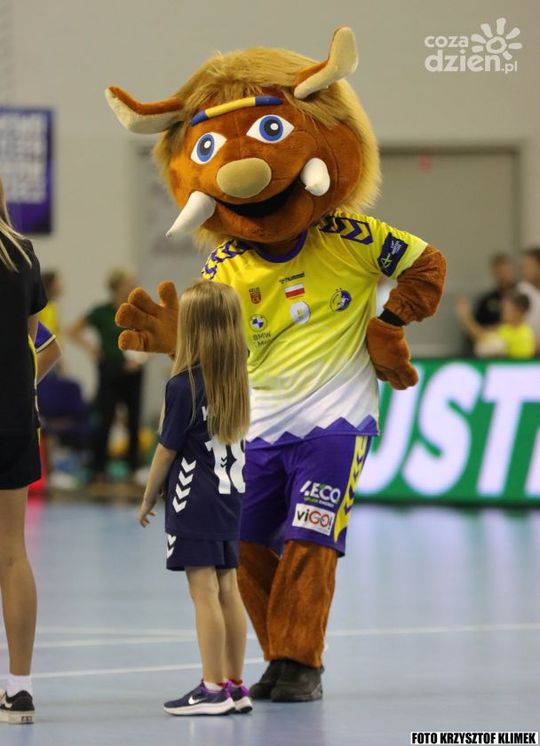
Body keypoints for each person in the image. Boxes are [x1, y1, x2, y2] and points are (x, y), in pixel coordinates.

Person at [138, 280, 252, 717]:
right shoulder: (238, 379)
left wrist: (148, 496)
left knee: (203, 591)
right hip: (230, 496)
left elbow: (166, 450)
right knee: (228, 588)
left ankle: (211, 687)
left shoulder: (182, 385)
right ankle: (236, 685)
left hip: (194, 497)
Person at [0, 176, 52, 724]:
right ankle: (18, 689)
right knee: (12, 552)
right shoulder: (23, 254)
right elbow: (31, 340)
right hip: (13, 417)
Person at [68, 268, 145, 480]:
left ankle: (133, 467)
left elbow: (152, 337)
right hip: (109, 369)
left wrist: (141, 359)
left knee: (134, 418)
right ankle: (98, 467)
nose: (133, 286)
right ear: (117, 286)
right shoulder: (101, 312)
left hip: (133, 369)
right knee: (106, 416)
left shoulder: (138, 311)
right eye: (129, 283)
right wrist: (91, 349)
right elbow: (73, 330)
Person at [455, 291, 535, 359]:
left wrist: (466, 317)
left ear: (518, 311)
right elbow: (484, 333)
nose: (502, 312)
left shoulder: (523, 334)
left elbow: (481, 337)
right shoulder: (505, 328)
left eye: (507, 308)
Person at [474, 253, 516, 327]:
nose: (503, 276)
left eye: (505, 271)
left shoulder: (521, 295)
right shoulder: (486, 301)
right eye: (500, 272)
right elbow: (479, 325)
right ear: (494, 272)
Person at [518, 247, 540, 352]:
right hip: (525, 350)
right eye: (522, 267)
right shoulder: (521, 290)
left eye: (528, 266)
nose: (523, 270)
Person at [38, 270, 63, 339]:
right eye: (57, 283)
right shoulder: (42, 308)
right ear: (50, 285)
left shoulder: (52, 307)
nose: (60, 286)